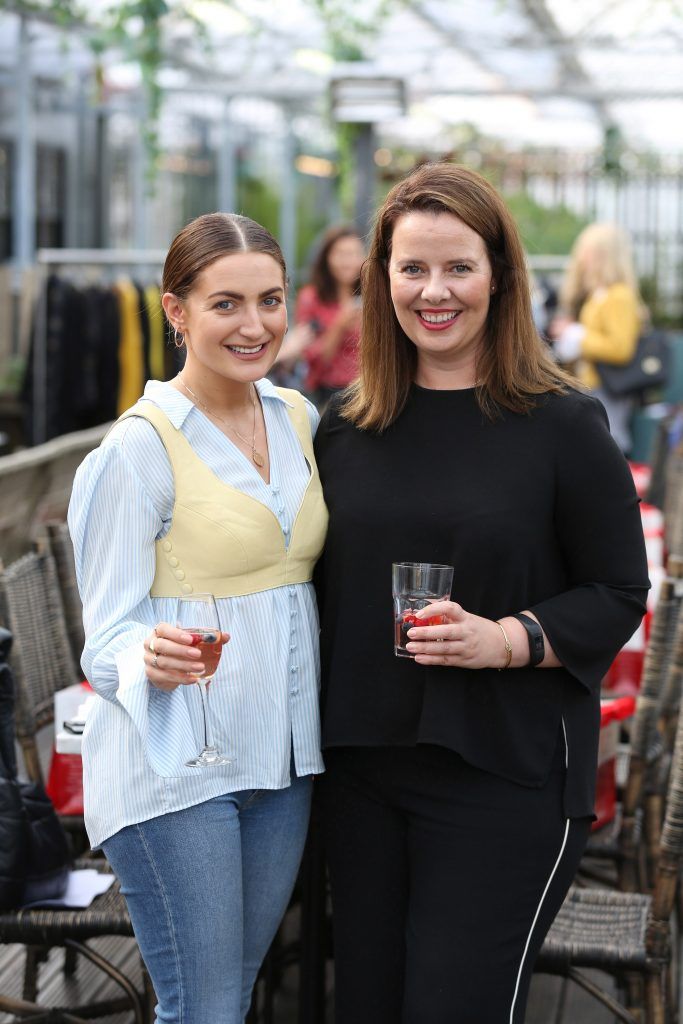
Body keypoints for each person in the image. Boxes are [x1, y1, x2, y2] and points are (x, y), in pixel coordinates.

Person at [312, 163, 649, 1023]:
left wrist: (506, 637)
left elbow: (618, 589)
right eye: (411, 267)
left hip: (505, 773)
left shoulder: (560, 425)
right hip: (360, 773)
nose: (434, 291)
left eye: (458, 267)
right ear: (380, 276)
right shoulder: (345, 427)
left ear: (498, 276)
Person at [68, 212, 328, 1024]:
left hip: (281, 757)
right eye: (225, 304)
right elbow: (103, 640)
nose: (254, 325)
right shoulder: (137, 450)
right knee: (204, 1008)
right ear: (176, 312)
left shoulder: (297, 420)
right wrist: (151, 650)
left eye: (270, 299)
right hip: (176, 763)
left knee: (229, 995)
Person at [550, 221, 644, 454]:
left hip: (608, 386)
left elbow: (621, 348)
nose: (582, 258)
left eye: (588, 251)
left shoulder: (619, 295)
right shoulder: (602, 293)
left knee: (609, 443)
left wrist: (578, 336)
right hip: (595, 383)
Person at [294, 225, 365, 407]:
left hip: (367, 389)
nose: (349, 261)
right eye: (342, 254)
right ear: (327, 258)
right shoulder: (311, 299)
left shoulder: (372, 296)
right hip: (328, 394)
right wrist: (339, 326)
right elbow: (314, 360)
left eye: (355, 254)